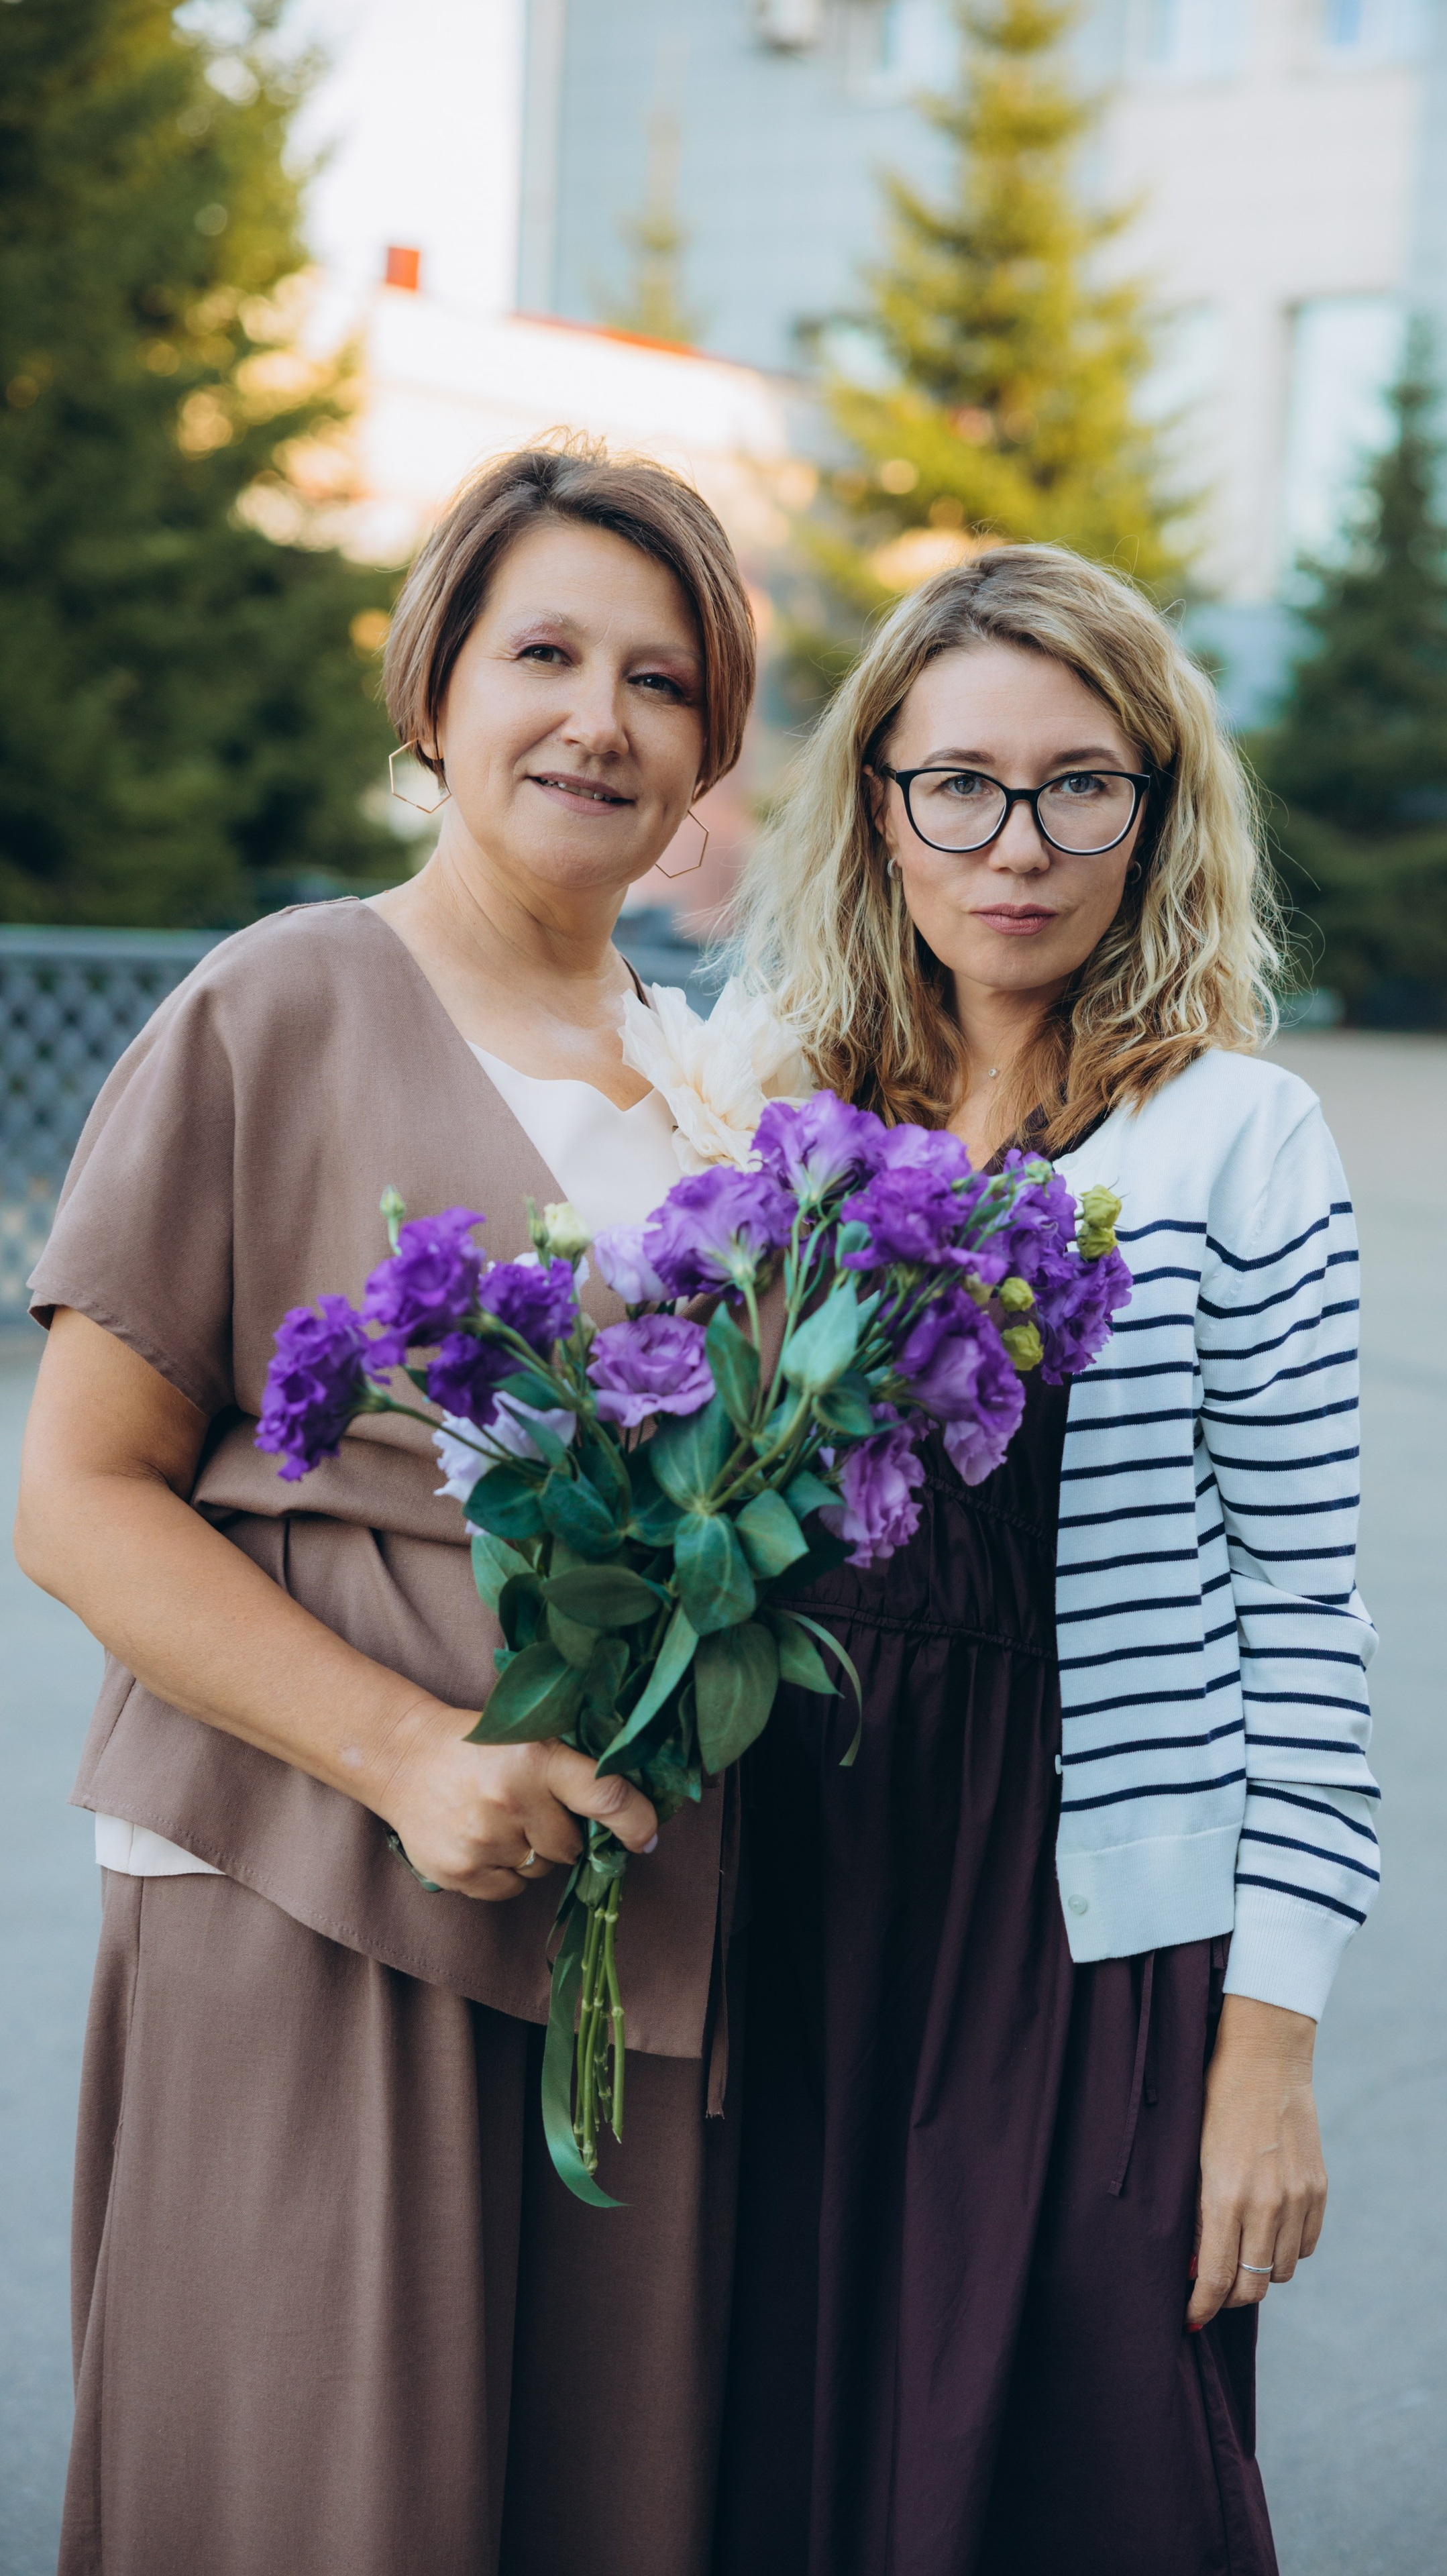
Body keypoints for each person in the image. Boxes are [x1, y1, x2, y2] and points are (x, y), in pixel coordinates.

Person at [15, 440, 760, 2576]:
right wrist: (411, 1756)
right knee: (321, 2488)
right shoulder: (278, 1002)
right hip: (312, 1876)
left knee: (589, 2493)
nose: (601, 718)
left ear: (708, 746)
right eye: (544, 651)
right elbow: (76, 1496)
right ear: (433, 690)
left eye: (663, 678)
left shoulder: (729, 1080)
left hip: (636, 1919)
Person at [712, 545, 1381, 2575]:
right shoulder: (769, 1093)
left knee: (1091, 2476)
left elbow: (1308, 1621)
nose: (1020, 845)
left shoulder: (1236, 1140)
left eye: (1083, 784)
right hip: (796, 1884)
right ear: (882, 803)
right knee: (788, 2446)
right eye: (962, 784)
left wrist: (1267, 2060)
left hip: (1088, 1922)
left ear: (1159, 808)